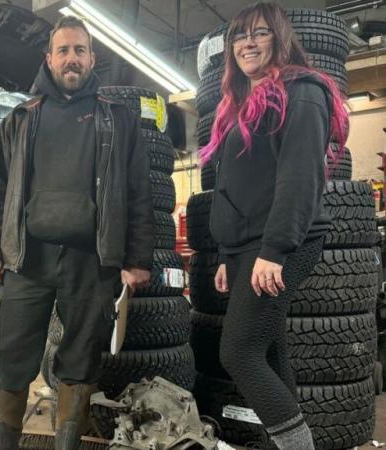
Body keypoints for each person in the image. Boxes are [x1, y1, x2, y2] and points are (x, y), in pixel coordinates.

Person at [0, 15, 154, 450]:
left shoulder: (118, 119)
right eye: (63, 50)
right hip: (27, 259)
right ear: (49, 58)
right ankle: (4, 443)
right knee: (13, 356)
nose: (71, 58)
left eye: (79, 50)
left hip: (91, 262)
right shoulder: (20, 119)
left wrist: (136, 259)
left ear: (92, 58)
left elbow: (137, 193)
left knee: (78, 360)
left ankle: (68, 443)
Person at [200, 2, 349, 449]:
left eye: (260, 34)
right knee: (268, 348)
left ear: (280, 39)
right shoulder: (238, 106)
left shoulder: (301, 91)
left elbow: (300, 178)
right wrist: (229, 254)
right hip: (248, 244)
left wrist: (274, 250)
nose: (247, 43)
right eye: (239, 36)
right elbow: (236, 185)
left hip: (283, 241)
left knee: (239, 352)